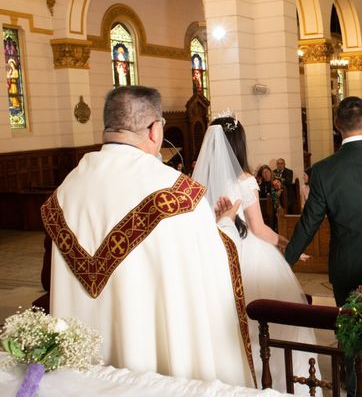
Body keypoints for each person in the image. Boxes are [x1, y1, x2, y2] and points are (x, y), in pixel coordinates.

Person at [40, 86, 254, 386]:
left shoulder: (64, 192)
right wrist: (227, 225)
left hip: (81, 376)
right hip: (155, 375)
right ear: (155, 130)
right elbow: (213, 262)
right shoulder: (176, 194)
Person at [284, 96, 362, 397]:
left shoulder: (324, 170)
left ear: (336, 125)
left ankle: (355, 389)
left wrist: (287, 257)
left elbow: (309, 221)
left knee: (353, 332)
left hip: (346, 265)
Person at [192, 115, 318, 395]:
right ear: (239, 144)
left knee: (226, 322)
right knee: (270, 323)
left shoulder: (197, 182)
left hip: (216, 254)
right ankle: (278, 382)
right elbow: (259, 229)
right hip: (248, 254)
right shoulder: (244, 180)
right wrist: (288, 243)